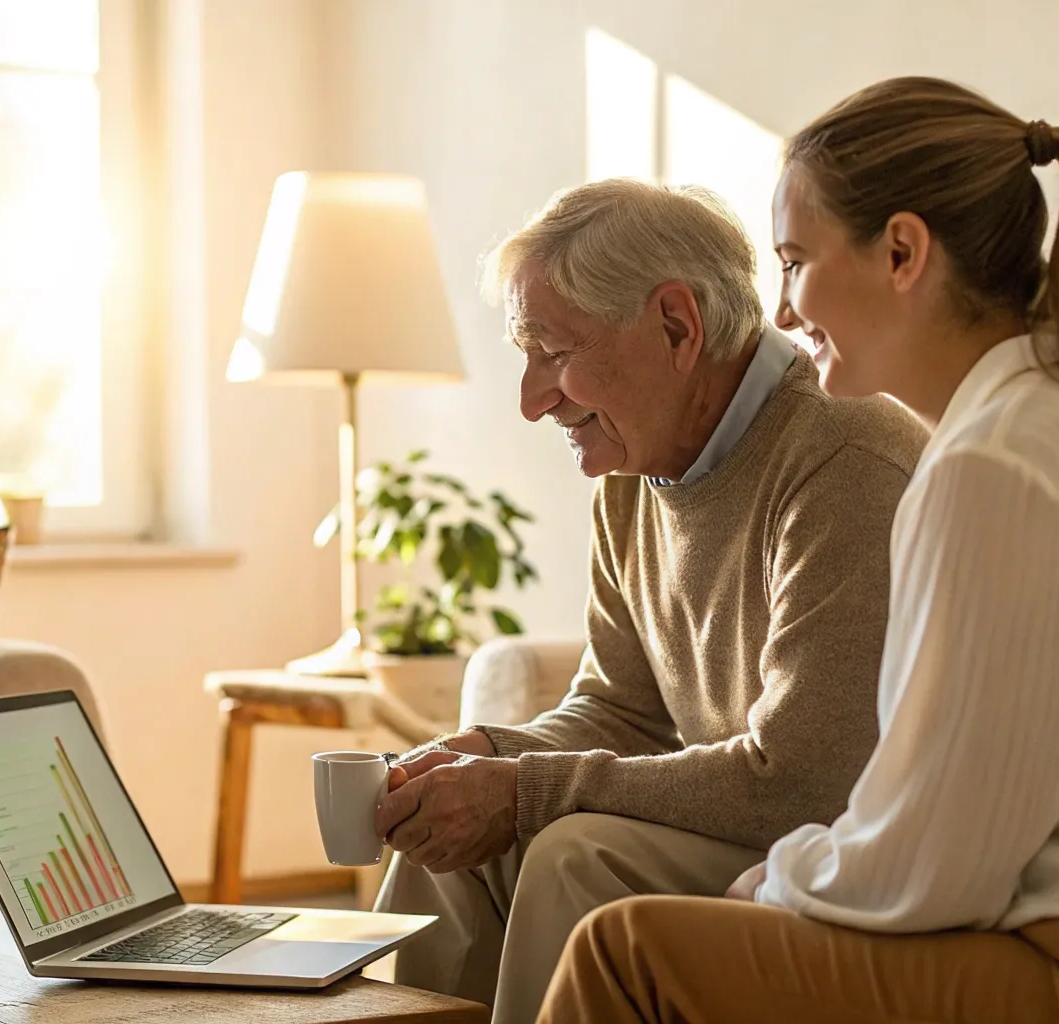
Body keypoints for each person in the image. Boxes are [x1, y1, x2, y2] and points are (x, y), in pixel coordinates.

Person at [540, 77, 1059, 1024]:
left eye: (794, 262)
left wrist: (778, 883)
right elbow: (948, 831)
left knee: (630, 951)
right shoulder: (1056, 422)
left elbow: (934, 868)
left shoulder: (1003, 463)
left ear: (903, 252)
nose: (780, 312)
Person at [371, 179, 929, 1024]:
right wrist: (484, 754)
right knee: (442, 846)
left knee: (573, 854)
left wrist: (521, 791)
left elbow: (808, 778)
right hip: (757, 818)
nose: (532, 401)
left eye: (552, 352)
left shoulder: (843, 460)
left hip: (847, 846)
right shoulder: (636, 472)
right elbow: (621, 710)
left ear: (676, 325)